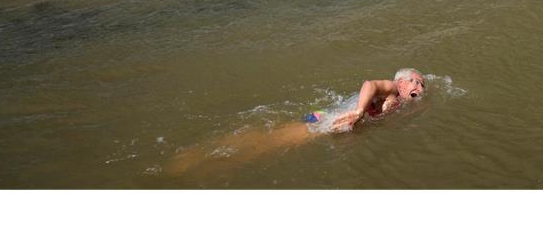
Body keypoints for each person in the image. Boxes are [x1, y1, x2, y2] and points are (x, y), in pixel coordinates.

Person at [167, 68, 425, 176]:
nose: (419, 85)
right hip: (332, 116)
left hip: (324, 111)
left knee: (276, 134)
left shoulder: (400, 101)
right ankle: (198, 160)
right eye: (415, 80)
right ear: (401, 81)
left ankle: (206, 157)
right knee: (274, 142)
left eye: (422, 84)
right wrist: (358, 113)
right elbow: (369, 84)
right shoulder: (392, 87)